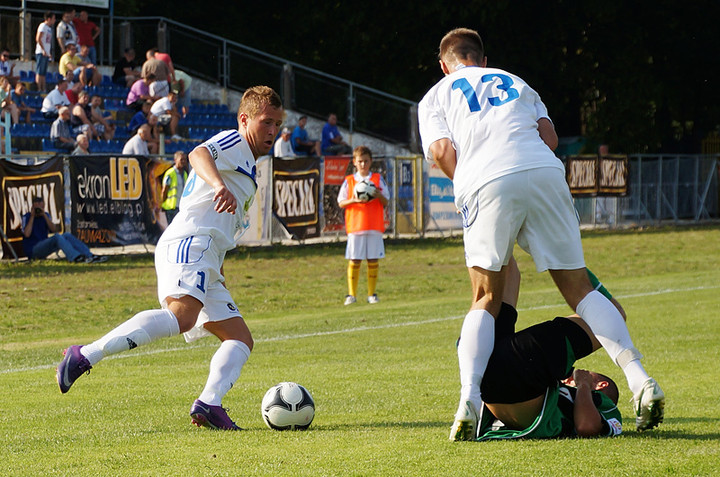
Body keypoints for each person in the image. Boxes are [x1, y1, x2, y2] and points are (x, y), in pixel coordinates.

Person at [417, 28, 664, 441]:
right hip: (544, 170)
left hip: (485, 179)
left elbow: (443, 152)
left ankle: (469, 400)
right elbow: (548, 138)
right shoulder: (516, 81)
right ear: (482, 57)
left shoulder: (436, 95)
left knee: (485, 296)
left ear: (444, 65)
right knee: (579, 287)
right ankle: (640, 379)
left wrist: (474, 187)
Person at [56, 85, 285, 432]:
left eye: (277, 124)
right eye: (266, 122)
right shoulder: (234, 142)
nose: (273, 131)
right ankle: (85, 355)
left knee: (239, 338)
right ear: (245, 119)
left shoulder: (249, 166)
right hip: (191, 243)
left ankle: (209, 403)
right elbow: (197, 155)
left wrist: (219, 266)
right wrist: (219, 185)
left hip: (207, 253)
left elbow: (221, 220)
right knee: (181, 317)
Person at [337, 146, 389, 305]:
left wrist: (377, 194)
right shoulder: (349, 181)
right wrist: (354, 200)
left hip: (374, 225)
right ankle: (351, 295)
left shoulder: (378, 180)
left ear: (370, 161)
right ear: (354, 162)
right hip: (356, 226)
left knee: (373, 259)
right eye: (360, 161)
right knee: (355, 259)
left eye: (366, 161)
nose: (363, 164)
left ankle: (372, 294)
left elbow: (386, 201)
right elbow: (341, 202)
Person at [22, 196, 105, 263]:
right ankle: (74, 257)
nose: (38, 210)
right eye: (37, 208)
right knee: (57, 237)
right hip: (33, 249)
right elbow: (27, 234)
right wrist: (32, 216)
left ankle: (89, 255)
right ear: (32, 206)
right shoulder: (27, 217)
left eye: (41, 208)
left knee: (67, 235)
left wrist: (44, 215)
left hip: (44, 246)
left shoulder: (46, 215)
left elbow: (54, 230)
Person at [161, 151, 189, 223]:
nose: (183, 161)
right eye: (181, 159)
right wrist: (162, 204)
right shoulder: (170, 173)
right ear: (175, 160)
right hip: (171, 208)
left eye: (185, 159)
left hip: (181, 207)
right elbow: (164, 190)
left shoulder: (185, 174)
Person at [34, 11, 55, 92]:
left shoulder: (49, 28)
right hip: (41, 52)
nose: (54, 20)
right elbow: (38, 38)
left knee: (43, 72)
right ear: (49, 19)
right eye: (53, 19)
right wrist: (43, 49)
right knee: (39, 71)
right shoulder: (42, 26)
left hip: (46, 52)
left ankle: (43, 88)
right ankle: (39, 88)